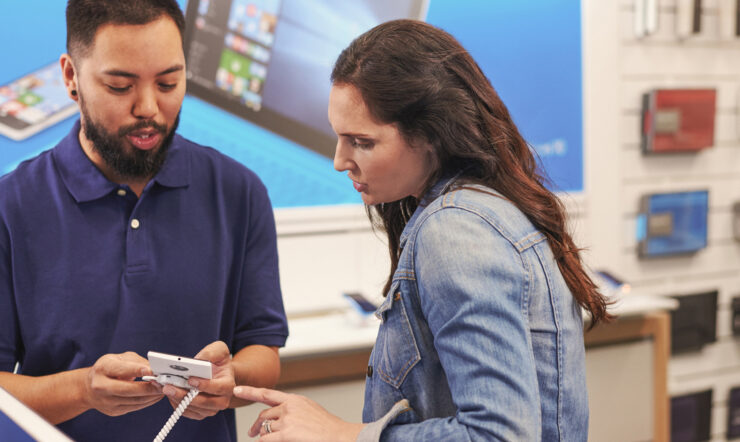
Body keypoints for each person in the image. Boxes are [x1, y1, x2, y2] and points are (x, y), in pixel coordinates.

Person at [233, 19, 612, 441]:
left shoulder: (455, 233)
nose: (340, 161)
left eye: (362, 142)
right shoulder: (485, 212)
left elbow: (499, 436)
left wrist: (343, 434)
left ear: (430, 135)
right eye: (339, 138)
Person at [0, 1, 288, 441]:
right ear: (71, 77)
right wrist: (83, 390)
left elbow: (263, 351)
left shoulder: (239, 192)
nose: (149, 108)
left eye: (169, 82)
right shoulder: (10, 204)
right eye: (120, 86)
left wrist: (229, 382)